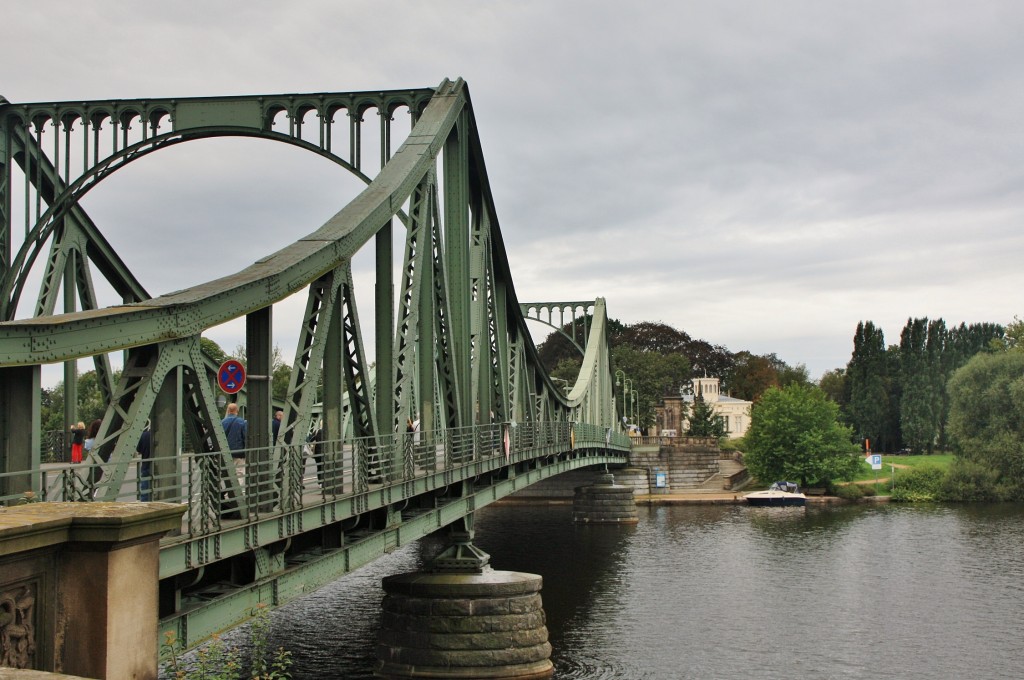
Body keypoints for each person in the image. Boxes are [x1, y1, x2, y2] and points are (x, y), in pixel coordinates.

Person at [222, 402, 248, 470]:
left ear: (228, 410)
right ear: (237, 410)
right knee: (239, 473)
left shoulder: (222, 422)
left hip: (225, 453)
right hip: (238, 453)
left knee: (228, 474)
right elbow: (246, 438)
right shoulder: (242, 422)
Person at [137, 422, 152, 501]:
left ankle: (145, 506)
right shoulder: (162, 435)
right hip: (161, 467)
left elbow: (138, 449)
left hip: (146, 465)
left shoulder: (144, 435)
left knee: (145, 493)